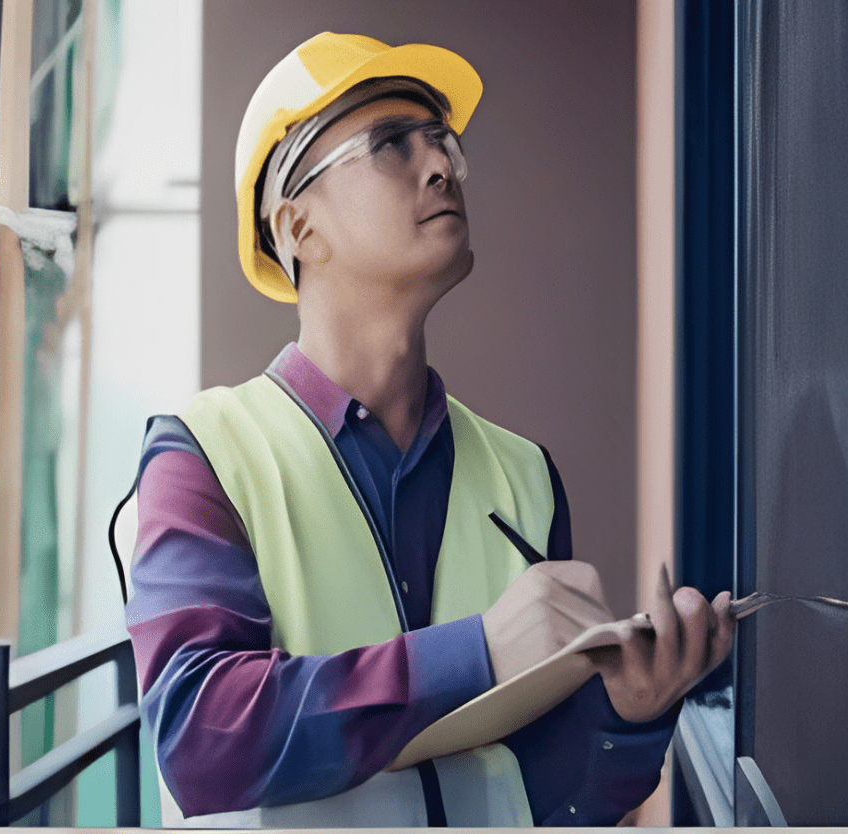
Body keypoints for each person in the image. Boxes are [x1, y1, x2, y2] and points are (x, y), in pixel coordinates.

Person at [123, 32, 733, 828]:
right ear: (298, 228)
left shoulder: (525, 477)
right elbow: (202, 738)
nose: (442, 164)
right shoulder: (202, 454)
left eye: (441, 142)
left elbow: (547, 799)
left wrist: (628, 715)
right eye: (390, 146)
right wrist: (477, 654)